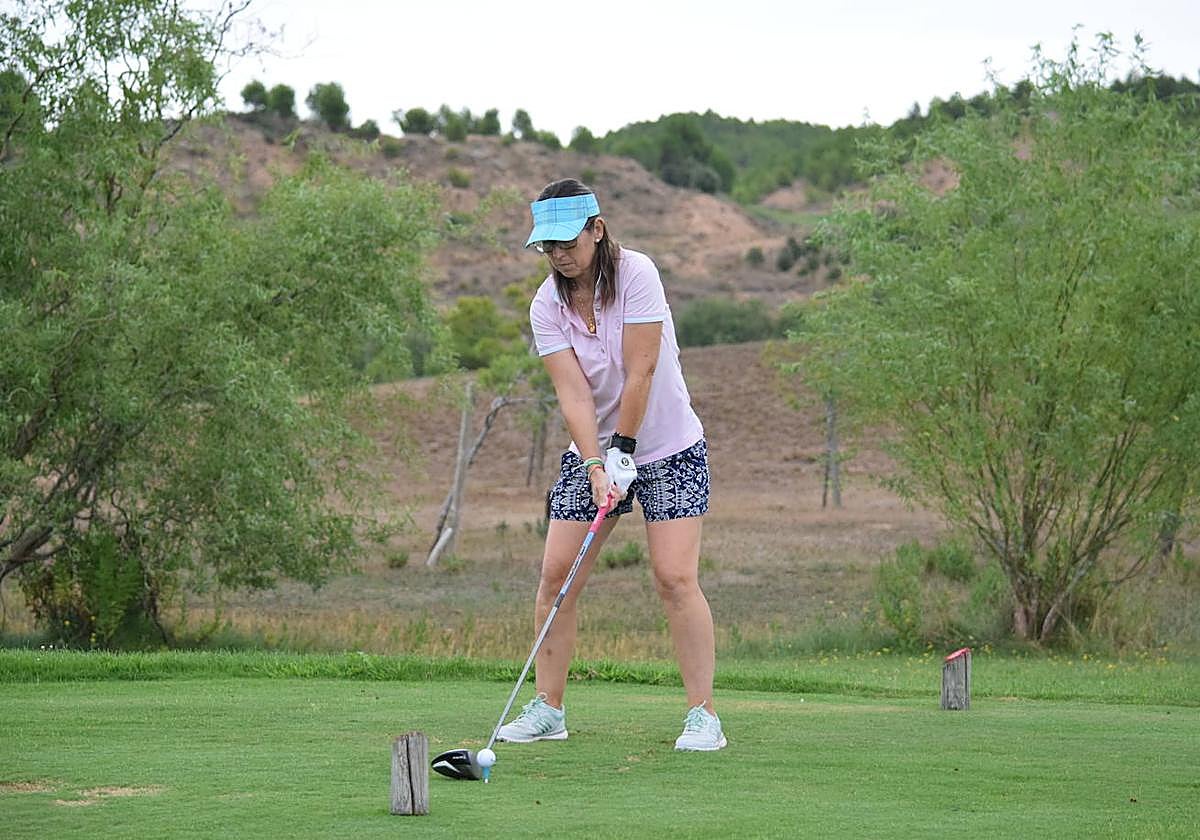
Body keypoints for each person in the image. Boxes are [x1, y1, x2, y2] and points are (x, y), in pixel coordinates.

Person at [496, 178, 726, 751]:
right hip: (594, 451)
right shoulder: (546, 305)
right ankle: (548, 709)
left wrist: (625, 447)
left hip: (670, 447)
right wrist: (598, 463)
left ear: (596, 230)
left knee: (674, 578)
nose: (559, 255)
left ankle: (703, 715)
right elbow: (574, 394)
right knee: (556, 578)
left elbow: (640, 369)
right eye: (548, 246)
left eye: (568, 242)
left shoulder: (638, 274)